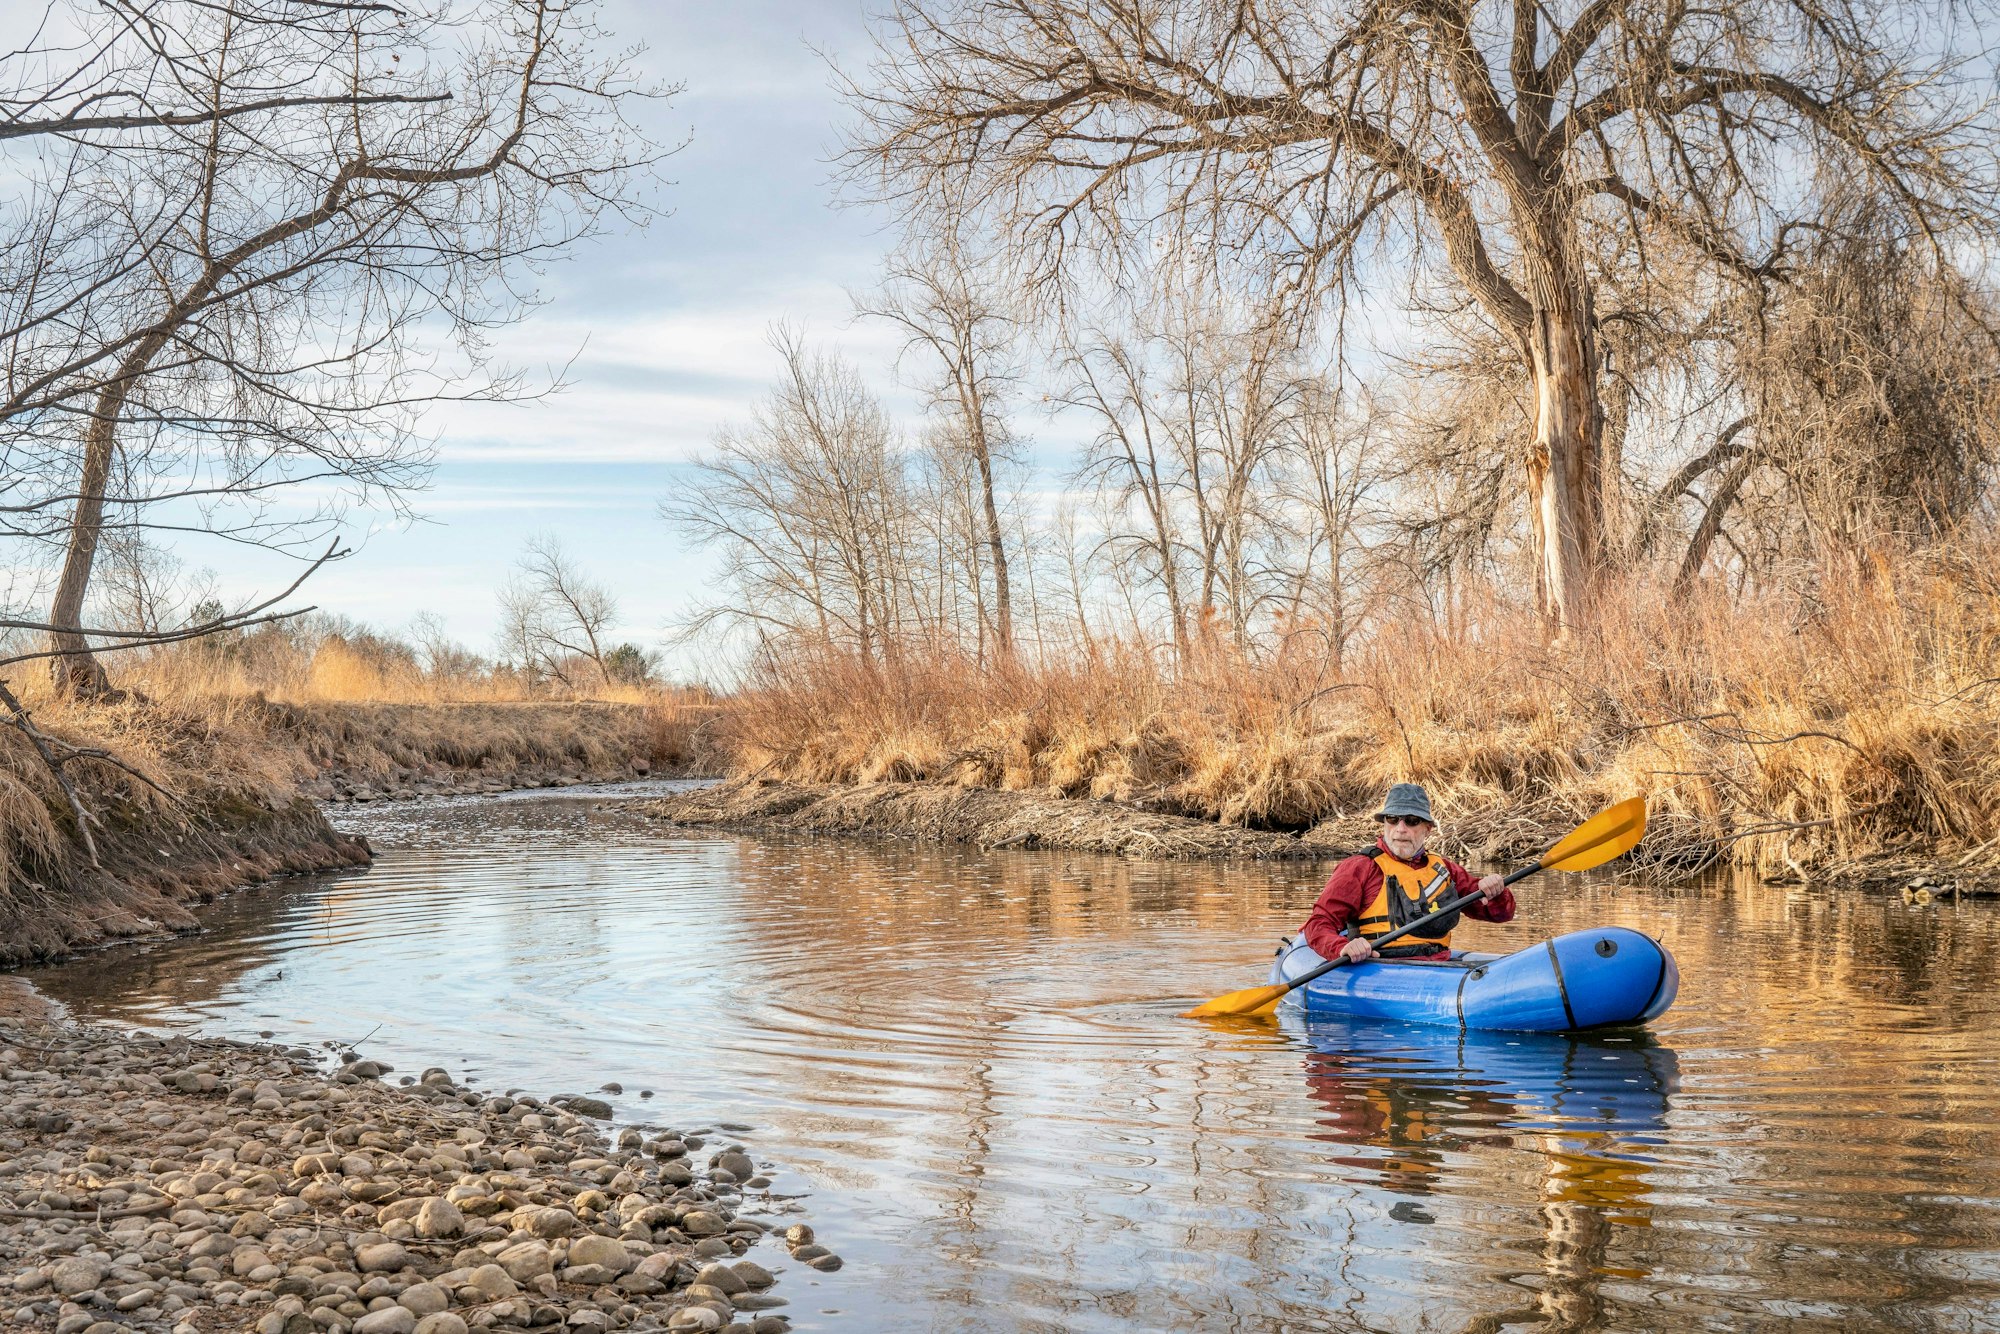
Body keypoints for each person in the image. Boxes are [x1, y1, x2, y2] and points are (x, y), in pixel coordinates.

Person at [1301, 783, 1514, 963]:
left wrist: (1497, 892)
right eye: (1393, 819)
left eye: (1411, 821)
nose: (1400, 828)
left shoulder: (1445, 869)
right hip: (1381, 966)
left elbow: (1501, 914)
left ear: (1428, 828)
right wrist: (1342, 946)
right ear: (1385, 823)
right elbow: (1318, 924)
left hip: (1439, 966)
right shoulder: (1360, 868)